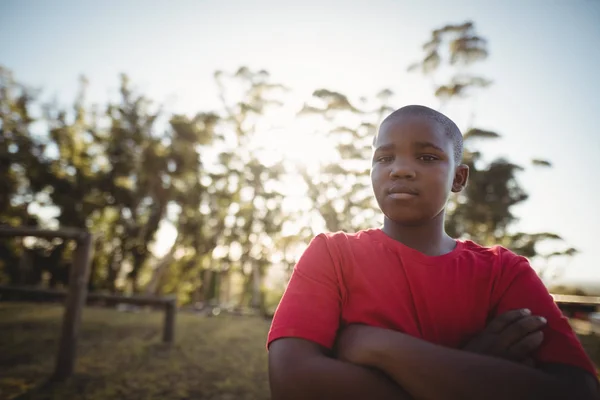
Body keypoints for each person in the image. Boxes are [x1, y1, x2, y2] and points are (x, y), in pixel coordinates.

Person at [267, 105, 599, 400]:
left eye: (427, 157)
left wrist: (376, 345)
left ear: (459, 177)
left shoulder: (504, 271)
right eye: (384, 158)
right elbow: (292, 383)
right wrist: (472, 369)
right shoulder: (332, 254)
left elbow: (577, 391)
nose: (400, 169)